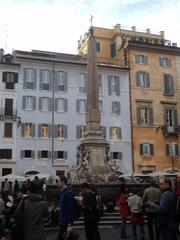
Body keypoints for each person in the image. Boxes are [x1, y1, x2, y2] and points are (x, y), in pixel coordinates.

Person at [56, 176, 74, 240]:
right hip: (63, 219)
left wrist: (70, 224)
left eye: (58, 181)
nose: (57, 183)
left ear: (63, 182)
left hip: (66, 221)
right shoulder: (63, 192)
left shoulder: (68, 193)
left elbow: (70, 209)